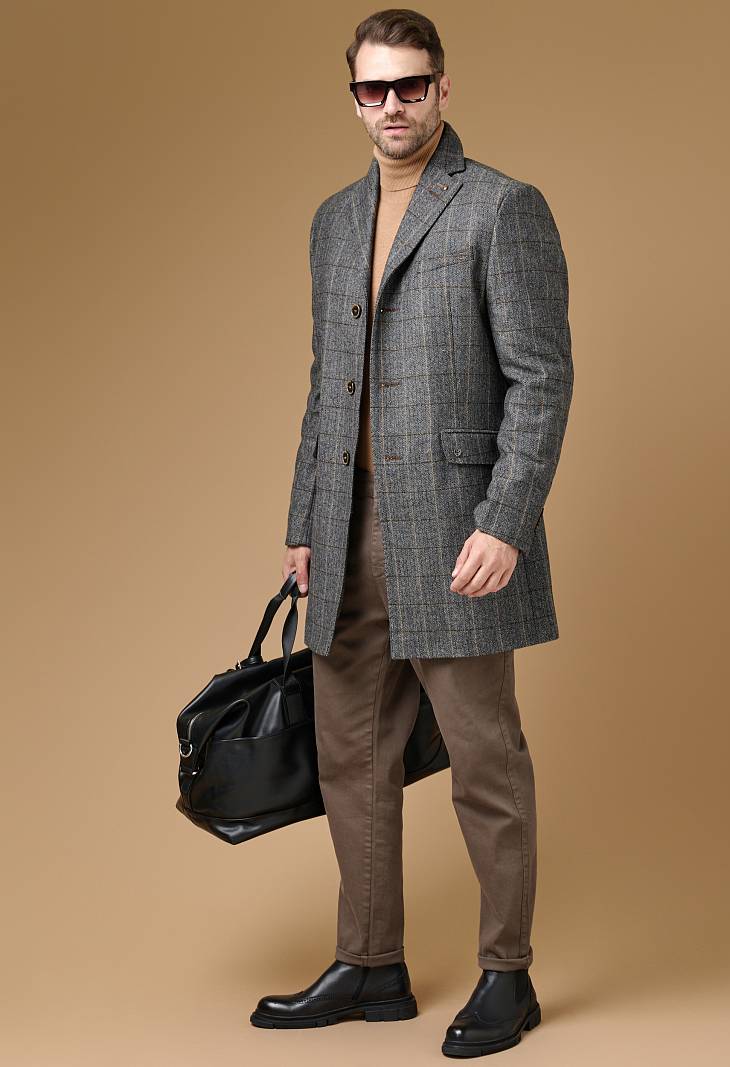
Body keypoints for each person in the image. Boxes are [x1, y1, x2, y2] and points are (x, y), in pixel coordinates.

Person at [252, 8, 573, 1058]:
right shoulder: (332, 220)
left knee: (484, 760)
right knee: (349, 754)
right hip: (346, 527)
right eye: (372, 88)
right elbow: (325, 384)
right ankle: (371, 963)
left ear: (442, 88)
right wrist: (304, 517)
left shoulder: (501, 207)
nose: (391, 104)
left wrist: (505, 520)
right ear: (352, 97)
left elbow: (540, 378)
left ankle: (508, 975)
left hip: (456, 532)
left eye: (410, 85)